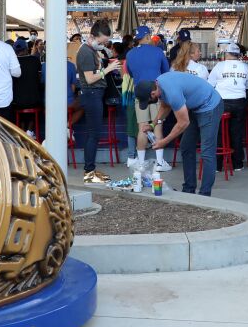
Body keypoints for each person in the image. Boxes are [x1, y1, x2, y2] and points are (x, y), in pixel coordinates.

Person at [140, 72, 224, 196]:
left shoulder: (171, 92)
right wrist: (153, 125)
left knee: (207, 152)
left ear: (153, 93)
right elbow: (164, 106)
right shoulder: (159, 84)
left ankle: (205, 195)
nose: (150, 102)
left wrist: (164, 141)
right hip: (195, 108)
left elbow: (183, 123)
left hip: (209, 107)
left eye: (149, 101)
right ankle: (189, 190)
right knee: (186, 147)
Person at [74, 19, 120, 183]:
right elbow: (90, 78)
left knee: (93, 134)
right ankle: (89, 173)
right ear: (93, 37)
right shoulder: (86, 52)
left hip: (94, 94)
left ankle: (90, 170)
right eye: (102, 42)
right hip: (91, 93)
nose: (104, 45)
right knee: (93, 135)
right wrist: (107, 69)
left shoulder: (91, 50)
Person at [125, 26, 171, 172]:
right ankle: (159, 163)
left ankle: (140, 163)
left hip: (140, 93)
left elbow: (131, 74)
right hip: (156, 91)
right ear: (147, 36)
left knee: (142, 128)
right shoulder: (157, 51)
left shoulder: (130, 54)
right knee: (157, 125)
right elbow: (165, 71)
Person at [208, 42, 248, 170]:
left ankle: (218, 165)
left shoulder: (220, 66)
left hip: (222, 102)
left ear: (226, 53)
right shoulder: (245, 67)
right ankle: (237, 164)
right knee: (236, 133)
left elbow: (210, 86)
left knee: (219, 133)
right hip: (239, 102)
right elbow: (247, 87)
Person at [12, 39, 44, 135]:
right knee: (37, 102)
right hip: (34, 101)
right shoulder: (34, 60)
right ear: (26, 49)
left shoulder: (13, 62)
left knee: (17, 106)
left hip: (16, 102)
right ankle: (30, 130)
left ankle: (21, 130)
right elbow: (39, 79)